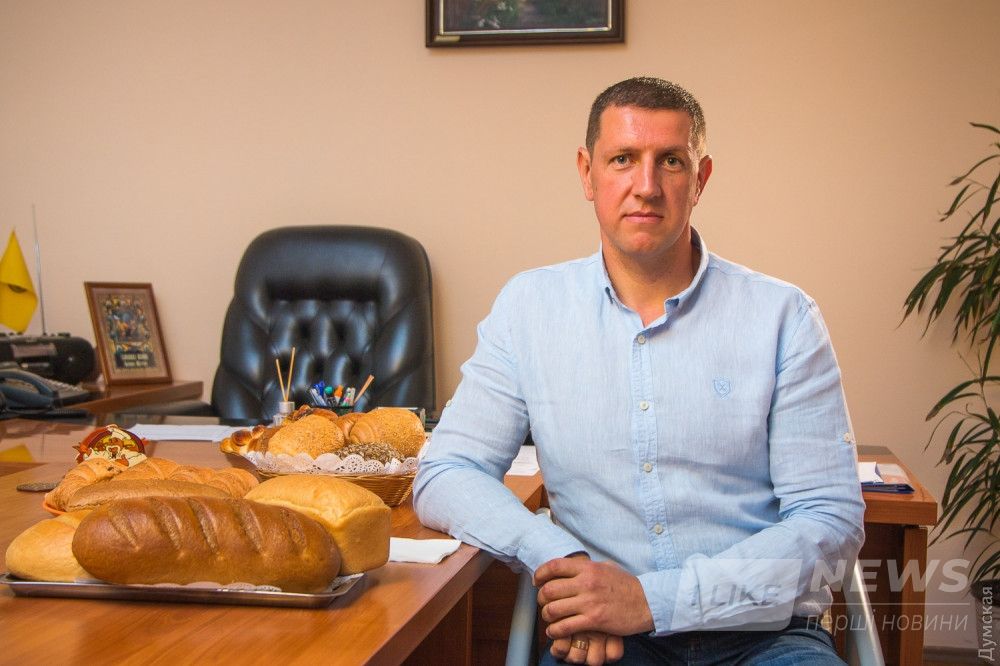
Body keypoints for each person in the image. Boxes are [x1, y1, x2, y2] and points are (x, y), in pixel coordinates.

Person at [413, 77, 864, 665]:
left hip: (766, 638)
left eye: (670, 161)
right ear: (587, 173)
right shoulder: (529, 309)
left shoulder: (784, 317)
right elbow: (447, 471)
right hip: (605, 643)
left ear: (700, 179)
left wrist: (652, 601)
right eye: (623, 159)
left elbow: (830, 518)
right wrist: (566, 565)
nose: (645, 186)